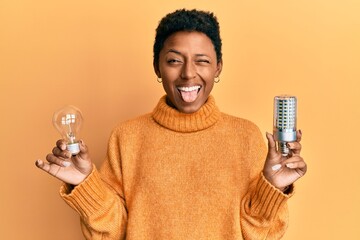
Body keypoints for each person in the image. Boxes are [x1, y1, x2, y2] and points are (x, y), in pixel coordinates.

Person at [35, 9, 307, 239]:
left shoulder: (245, 136)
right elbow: (112, 232)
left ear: (218, 67)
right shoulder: (127, 137)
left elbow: (263, 234)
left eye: (202, 61)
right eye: (174, 61)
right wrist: (86, 184)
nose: (188, 73)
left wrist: (272, 187)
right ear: (157, 66)